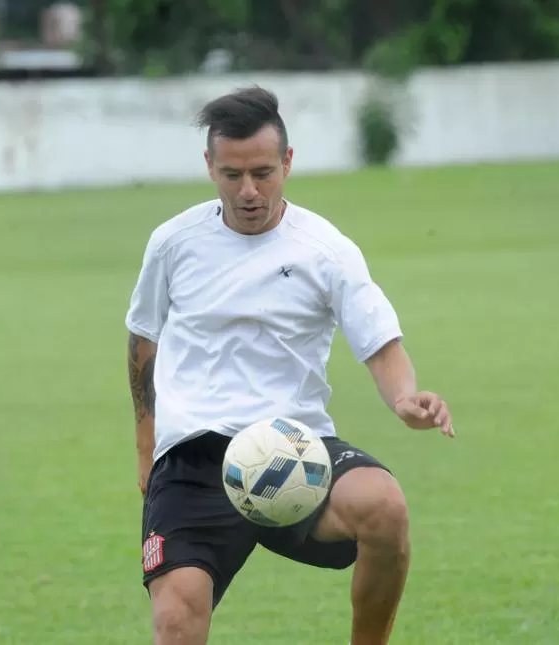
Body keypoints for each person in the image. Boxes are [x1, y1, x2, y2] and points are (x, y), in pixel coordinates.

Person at [125, 85, 454, 645]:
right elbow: (142, 344)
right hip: (194, 459)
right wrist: (146, 450)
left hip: (294, 451)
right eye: (232, 175)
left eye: (263, 172)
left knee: (385, 509)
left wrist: (404, 397)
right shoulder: (173, 243)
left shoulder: (324, 249)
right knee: (176, 627)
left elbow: (379, 341)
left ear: (288, 162)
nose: (249, 191)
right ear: (209, 166)